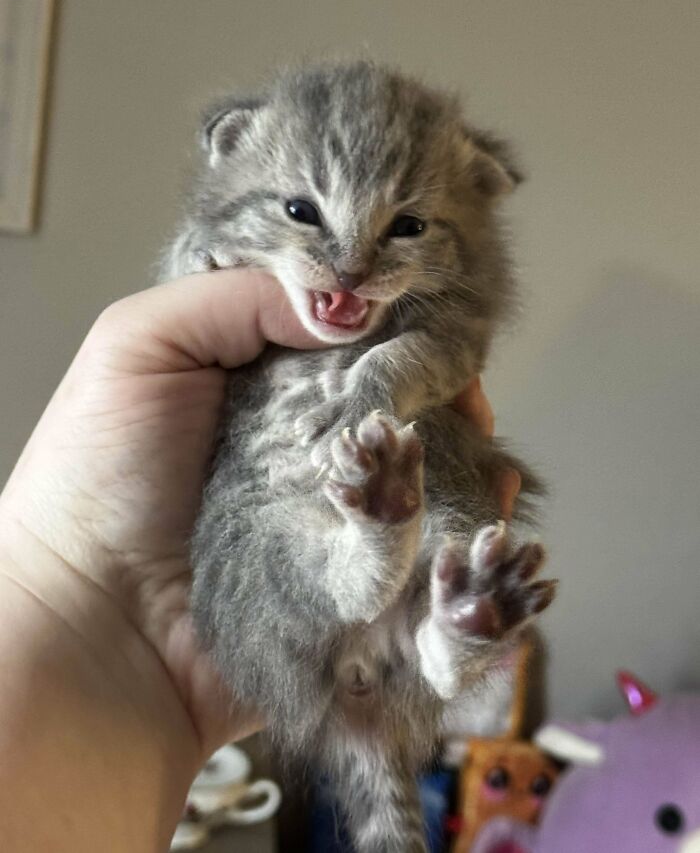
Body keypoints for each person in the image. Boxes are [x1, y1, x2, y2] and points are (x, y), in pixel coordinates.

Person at [0, 269, 520, 852]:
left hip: (251, 627)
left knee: (434, 540)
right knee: (383, 549)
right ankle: (430, 630)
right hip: (282, 592)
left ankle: (436, 637)